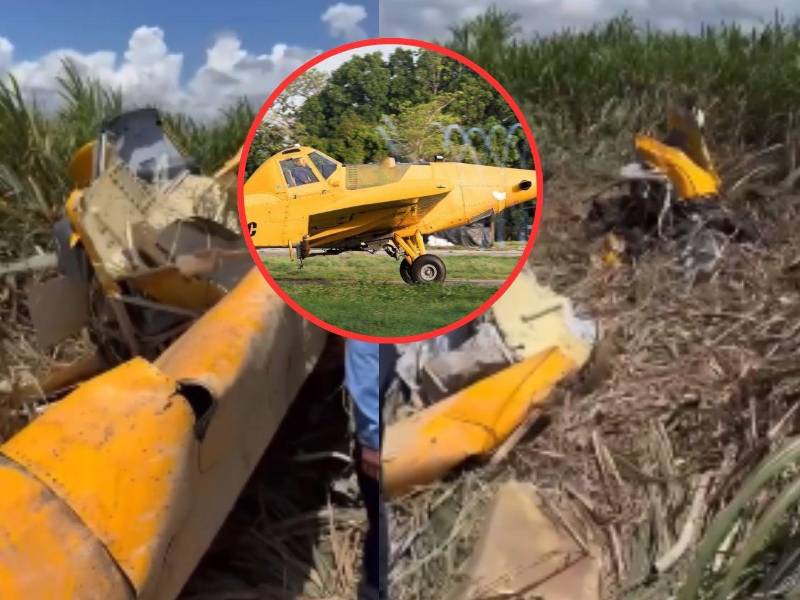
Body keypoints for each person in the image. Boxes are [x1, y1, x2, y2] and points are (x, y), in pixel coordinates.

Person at [345, 340, 388, 600]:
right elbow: (364, 370)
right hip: (383, 441)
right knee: (383, 524)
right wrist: (372, 443)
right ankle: (374, 590)